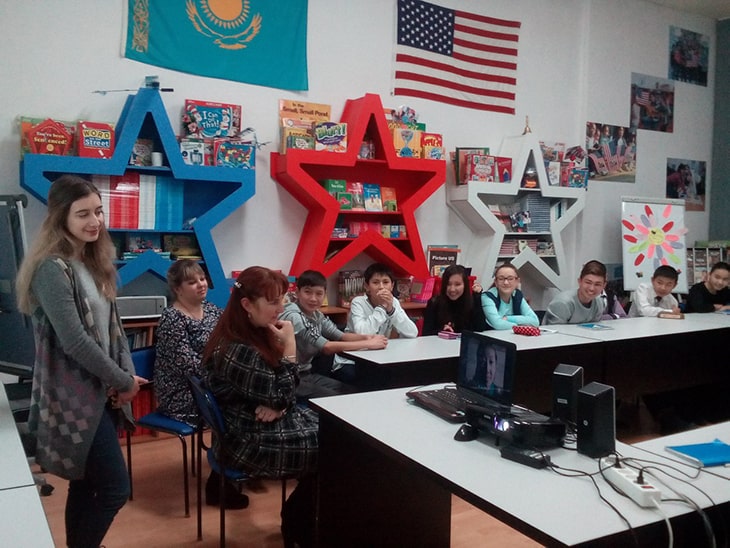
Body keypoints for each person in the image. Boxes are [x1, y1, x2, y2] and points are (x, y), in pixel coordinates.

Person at [15, 174, 148, 548]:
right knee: (113, 489)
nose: (95, 221)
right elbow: (75, 341)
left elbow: (111, 332)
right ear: (61, 218)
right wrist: (122, 381)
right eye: (83, 214)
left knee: (86, 484)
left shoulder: (92, 261)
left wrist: (124, 377)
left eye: (99, 211)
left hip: (100, 390)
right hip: (74, 397)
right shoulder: (51, 269)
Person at [203, 266, 319, 547]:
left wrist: (278, 405)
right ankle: (297, 525)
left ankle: (300, 520)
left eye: (282, 299)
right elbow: (284, 393)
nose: (281, 308)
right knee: (336, 447)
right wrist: (290, 347)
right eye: (273, 302)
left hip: (249, 423)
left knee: (336, 434)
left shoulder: (247, 332)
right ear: (246, 304)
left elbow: (280, 394)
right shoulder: (237, 348)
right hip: (245, 440)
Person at [278, 269, 388, 393]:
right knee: (335, 399)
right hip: (287, 380)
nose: (313, 298)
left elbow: (340, 336)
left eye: (319, 294)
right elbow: (326, 347)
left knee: (353, 392)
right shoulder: (294, 316)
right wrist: (368, 344)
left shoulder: (316, 315)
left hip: (306, 375)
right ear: (297, 293)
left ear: (325, 294)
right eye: (307, 292)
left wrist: (369, 338)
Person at [155, 259, 222, 426]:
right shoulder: (172, 318)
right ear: (178, 289)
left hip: (210, 381)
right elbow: (187, 365)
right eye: (192, 282)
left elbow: (228, 341)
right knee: (239, 404)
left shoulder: (211, 309)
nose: (201, 284)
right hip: (185, 390)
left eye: (202, 279)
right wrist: (224, 374)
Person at [332, 262, 418, 381]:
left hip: (380, 358)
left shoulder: (394, 302)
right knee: (375, 378)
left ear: (392, 286)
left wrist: (391, 310)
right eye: (376, 282)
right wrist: (382, 308)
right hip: (351, 360)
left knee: (405, 375)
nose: (381, 287)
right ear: (367, 286)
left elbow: (412, 332)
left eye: (386, 282)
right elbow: (363, 332)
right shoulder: (358, 302)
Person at [421, 264, 487, 336]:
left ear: (465, 285)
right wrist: (441, 331)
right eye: (448, 284)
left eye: (457, 284)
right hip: (440, 345)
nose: (452, 289)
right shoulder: (434, 303)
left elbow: (480, 328)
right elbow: (426, 333)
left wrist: (477, 298)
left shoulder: (472, 301)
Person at [543, 260, 607, 324]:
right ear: (579, 281)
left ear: (604, 286)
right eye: (588, 282)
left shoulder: (599, 302)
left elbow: (594, 329)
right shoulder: (563, 303)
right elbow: (554, 331)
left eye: (597, 284)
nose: (591, 288)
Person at [481, 263, 539, 330]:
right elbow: (497, 324)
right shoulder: (487, 297)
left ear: (517, 281)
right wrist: (521, 327)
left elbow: (535, 321)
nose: (506, 282)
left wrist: (507, 318)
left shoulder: (517, 295)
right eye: (501, 279)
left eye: (510, 279)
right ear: (496, 282)